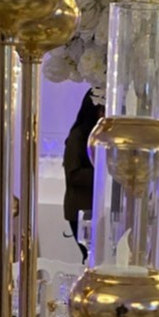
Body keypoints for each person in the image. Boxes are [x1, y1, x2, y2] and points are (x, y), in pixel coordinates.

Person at [63, 90, 102, 259]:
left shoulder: (100, 135)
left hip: (94, 206)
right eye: (101, 110)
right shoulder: (78, 135)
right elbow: (73, 174)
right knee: (90, 256)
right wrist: (103, 173)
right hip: (80, 209)